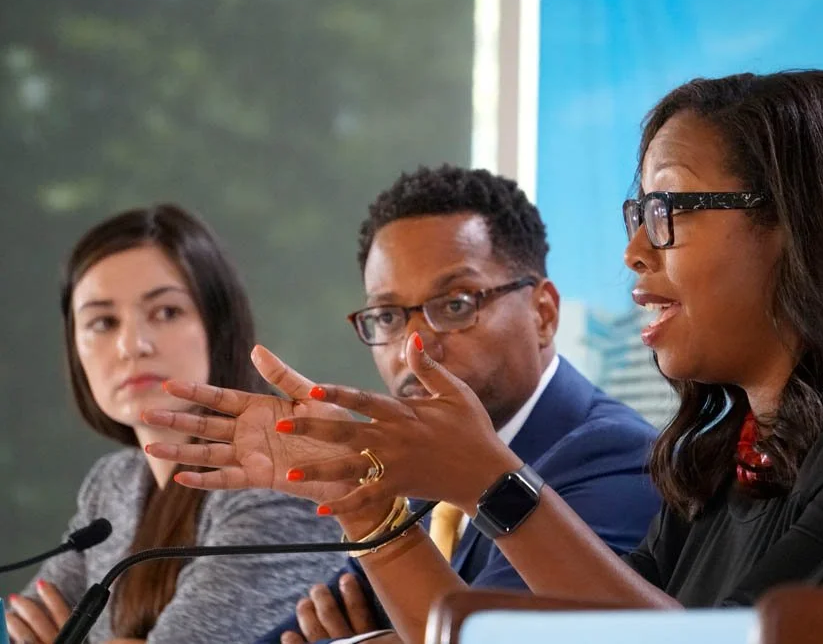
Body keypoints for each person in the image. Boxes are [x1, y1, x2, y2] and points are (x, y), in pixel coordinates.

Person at [148, 69, 823, 643]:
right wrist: (370, 511)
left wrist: (493, 484)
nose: (634, 251)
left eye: (668, 210)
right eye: (635, 212)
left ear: (802, 222)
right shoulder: (722, 446)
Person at [143, 166, 661, 644]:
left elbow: (485, 640)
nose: (414, 347)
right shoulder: (411, 466)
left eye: (456, 306)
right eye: (388, 316)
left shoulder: (614, 458)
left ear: (544, 313)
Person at [4, 206, 347, 644]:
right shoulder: (111, 483)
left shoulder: (278, 477)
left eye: (165, 312)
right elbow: (19, 629)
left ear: (217, 325)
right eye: (103, 322)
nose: (132, 345)